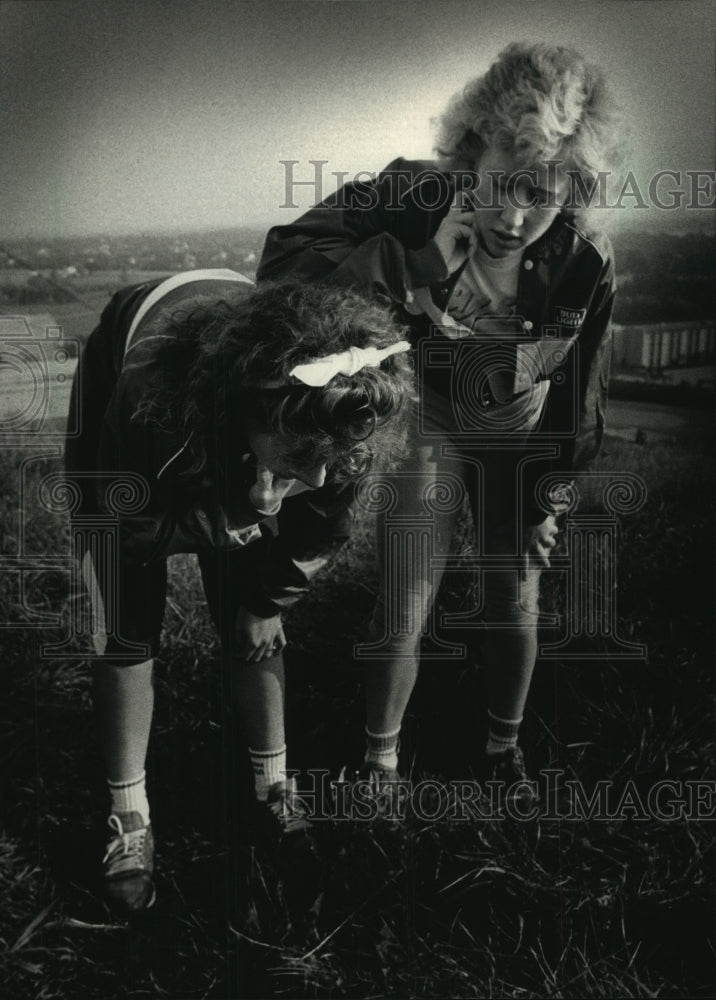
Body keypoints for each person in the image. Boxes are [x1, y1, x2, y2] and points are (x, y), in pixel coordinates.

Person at [257, 43, 621, 806]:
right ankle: (379, 768)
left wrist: (544, 500)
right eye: (498, 185)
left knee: (513, 590)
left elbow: (581, 393)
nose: (513, 218)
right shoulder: (410, 194)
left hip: (519, 437)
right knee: (405, 594)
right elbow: (285, 264)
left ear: (573, 192)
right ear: (468, 153)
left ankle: (501, 751)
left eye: (541, 196)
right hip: (432, 414)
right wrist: (413, 258)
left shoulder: (588, 259)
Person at [65, 269, 413, 912]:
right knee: (125, 625)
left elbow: (322, 530)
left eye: (329, 461)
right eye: (299, 454)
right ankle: (128, 813)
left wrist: (265, 601)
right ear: (257, 403)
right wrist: (233, 519)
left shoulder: (340, 419)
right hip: (141, 384)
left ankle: (274, 788)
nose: (316, 473)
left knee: (252, 622)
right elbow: (116, 525)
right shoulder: (151, 399)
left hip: (242, 405)